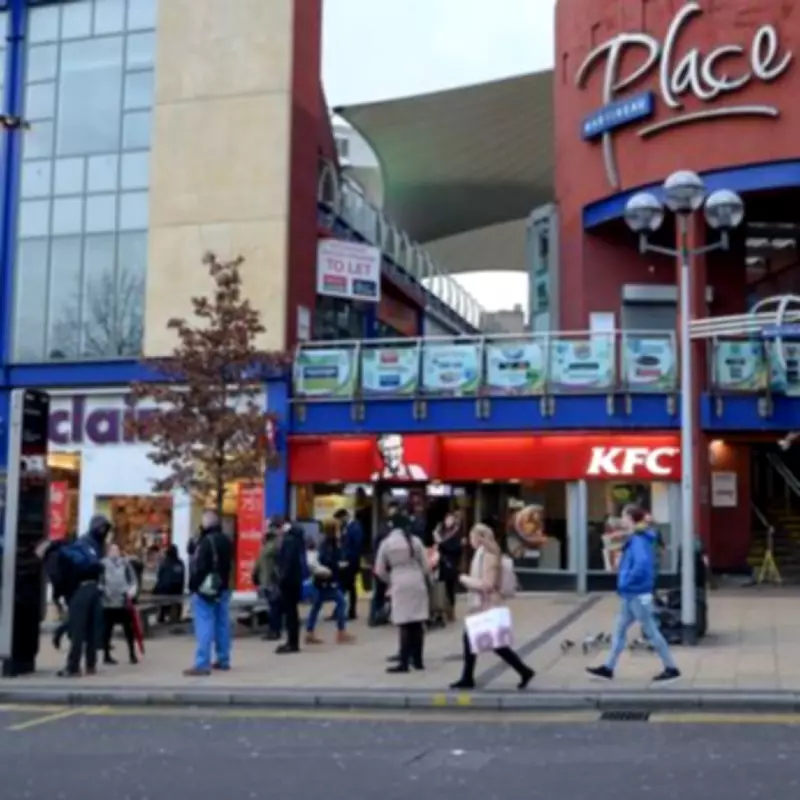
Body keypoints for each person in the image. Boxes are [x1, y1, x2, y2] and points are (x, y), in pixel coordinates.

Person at [586, 504, 681, 684]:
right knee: (619, 630)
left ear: (630, 519)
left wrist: (625, 580)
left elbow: (641, 565)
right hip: (631, 594)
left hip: (637, 594)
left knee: (651, 631)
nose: (621, 520)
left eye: (623, 517)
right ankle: (608, 668)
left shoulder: (638, 540)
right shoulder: (638, 538)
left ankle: (671, 668)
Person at [449, 523, 535, 690]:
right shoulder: (486, 553)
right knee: (481, 641)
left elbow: (488, 585)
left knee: (491, 643)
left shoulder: (489, 555)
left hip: (487, 604)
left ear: (480, 538)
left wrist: (464, 579)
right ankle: (522, 671)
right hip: (484, 603)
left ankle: (523, 671)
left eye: (473, 536)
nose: (470, 540)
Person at [375, 514, 430, 673]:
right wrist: (420, 574)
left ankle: (404, 662)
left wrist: (390, 580)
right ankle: (418, 661)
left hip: (399, 581)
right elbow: (426, 566)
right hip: (417, 580)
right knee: (417, 622)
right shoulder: (416, 541)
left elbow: (379, 570)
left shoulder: (386, 543)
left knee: (404, 623)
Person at [58, 515, 110, 678]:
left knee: (91, 627)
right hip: (84, 587)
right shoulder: (86, 543)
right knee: (80, 629)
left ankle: (86, 665)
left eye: (104, 528)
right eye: (101, 528)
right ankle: (78, 665)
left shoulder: (96, 544)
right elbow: (88, 565)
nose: (103, 531)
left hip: (90, 588)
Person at [184, 511, 233, 676]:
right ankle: (223, 659)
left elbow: (199, 567)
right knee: (222, 623)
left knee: (204, 624)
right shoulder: (226, 540)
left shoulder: (205, 542)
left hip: (205, 588)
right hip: (223, 586)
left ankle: (202, 663)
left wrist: (194, 586)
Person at [305, 520, 355, 645]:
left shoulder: (329, 543)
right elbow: (326, 560)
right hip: (326, 581)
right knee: (340, 602)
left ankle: (310, 632)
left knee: (318, 606)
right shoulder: (328, 544)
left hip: (324, 581)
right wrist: (338, 565)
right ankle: (340, 632)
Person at [101, 544, 138, 665]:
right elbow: (99, 580)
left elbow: (133, 579)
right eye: (112, 550)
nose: (114, 552)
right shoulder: (102, 564)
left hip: (123, 601)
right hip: (108, 602)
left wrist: (131, 591)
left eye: (116, 550)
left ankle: (132, 654)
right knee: (107, 629)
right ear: (108, 552)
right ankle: (106, 655)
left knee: (129, 629)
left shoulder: (125, 563)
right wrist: (103, 590)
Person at [275, 522, 307, 655]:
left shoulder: (289, 541)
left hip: (288, 582)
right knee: (293, 612)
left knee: (290, 613)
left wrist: (281, 579)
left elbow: (287, 562)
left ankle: (291, 643)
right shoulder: (299, 541)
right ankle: (294, 642)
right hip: (297, 581)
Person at [334, 508, 363, 621]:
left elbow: (356, 545)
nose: (339, 522)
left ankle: (348, 611)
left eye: (340, 519)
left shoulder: (355, 527)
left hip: (351, 562)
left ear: (345, 516)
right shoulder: (345, 528)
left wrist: (348, 559)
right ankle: (346, 611)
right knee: (348, 587)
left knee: (348, 586)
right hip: (345, 561)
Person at [434, 513, 463, 622]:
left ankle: (450, 611)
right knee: (441, 588)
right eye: (447, 519)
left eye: (451, 519)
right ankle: (443, 610)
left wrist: (441, 543)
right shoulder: (441, 533)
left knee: (450, 589)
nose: (449, 521)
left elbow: (456, 548)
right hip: (441, 564)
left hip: (451, 564)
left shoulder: (456, 534)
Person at [153, 544, 186, 624]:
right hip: (178, 590)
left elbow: (160, 575)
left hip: (165, 589)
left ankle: (161, 616)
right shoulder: (180, 563)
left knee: (160, 597)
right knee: (176, 600)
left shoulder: (165, 563)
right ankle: (176, 616)